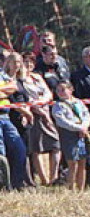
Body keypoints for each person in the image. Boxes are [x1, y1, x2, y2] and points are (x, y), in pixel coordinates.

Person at [13, 52, 61, 185]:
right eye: (26, 62)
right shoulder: (18, 80)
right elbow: (27, 99)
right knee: (37, 148)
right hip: (33, 116)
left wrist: (41, 101)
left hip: (46, 112)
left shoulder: (37, 77)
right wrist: (38, 108)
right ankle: (44, 179)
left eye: (31, 62)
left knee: (55, 144)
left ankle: (54, 177)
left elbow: (48, 94)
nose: (28, 65)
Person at [51, 80, 90, 191]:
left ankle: (81, 188)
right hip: (68, 134)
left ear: (71, 89)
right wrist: (78, 128)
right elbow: (62, 121)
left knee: (82, 161)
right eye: (58, 90)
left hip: (82, 133)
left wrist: (84, 126)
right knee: (72, 162)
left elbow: (86, 114)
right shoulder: (58, 106)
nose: (61, 92)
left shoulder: (78, 102)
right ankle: (71, 188)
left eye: (63, 89)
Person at [0, 62, 30, 190]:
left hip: (5, 117)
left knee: (19, 149)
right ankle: (3, 186)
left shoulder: (2, 75)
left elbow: (14, 85)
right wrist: (4, 91)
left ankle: (18, 184)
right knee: (1, 154)